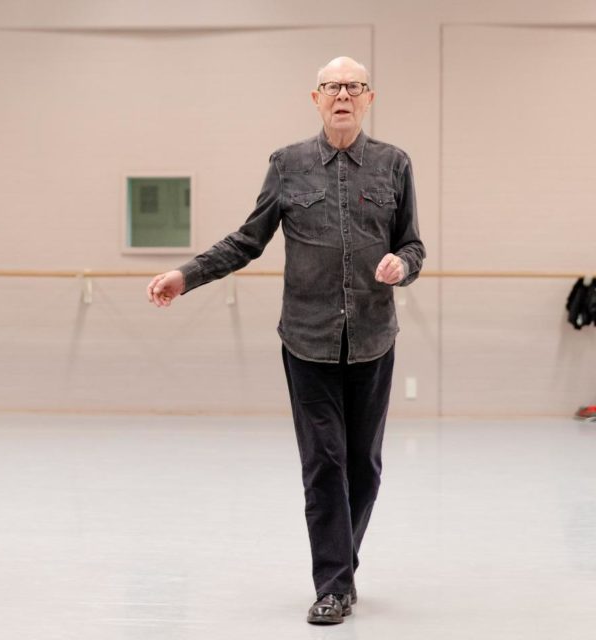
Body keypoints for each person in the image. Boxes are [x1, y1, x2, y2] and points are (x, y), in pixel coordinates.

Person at [146, 56, 424, 625]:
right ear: (315, 98)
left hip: (373, 337)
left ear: (368, 97)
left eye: (352, 86)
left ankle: (341, 568)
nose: (342, 94)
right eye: (331, 87)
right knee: (324, 461)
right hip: (306, 340)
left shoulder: (394, 164)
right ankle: (332, 585)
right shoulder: (288, 165)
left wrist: (403, 263)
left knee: (364, 467)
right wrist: (186, 276)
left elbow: (414, 245)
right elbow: (248, 240)